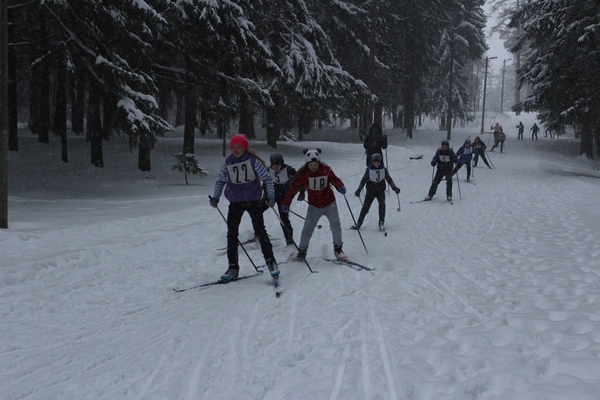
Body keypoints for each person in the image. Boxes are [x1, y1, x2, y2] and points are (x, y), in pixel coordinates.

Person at [210, 134, 279, 281]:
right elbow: (220, 180)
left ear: (245, 147)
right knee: (232, 234)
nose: (236, 150)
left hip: (253, 201)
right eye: (233, 147)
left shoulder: (253, 161)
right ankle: (233, 267)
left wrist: (270, 196)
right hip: (235, 202)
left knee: (260, 231)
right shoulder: (227, 162)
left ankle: (271, 262)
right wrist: (216, 197)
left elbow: (267, 179)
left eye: (239, 147)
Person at [281, 149, 348, 261]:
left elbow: (335, 180)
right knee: (307, 228)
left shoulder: (326, 170)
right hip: (314, 206)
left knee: (336, 225)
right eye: (311, 165)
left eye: (315, 164)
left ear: (319, 163)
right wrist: (286, 203)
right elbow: (292, 189)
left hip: (329, 203)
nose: (313, 167)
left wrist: (340, 186)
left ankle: (338, 249)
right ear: (307, 164)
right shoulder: (303, 174)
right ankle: (302, 252)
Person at [352, 153, 400, 231]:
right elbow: (363, 180)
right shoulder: (369, 170)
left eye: (378, 162)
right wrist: (359, 190)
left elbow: (389, 179)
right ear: (372, 162)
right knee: (365, 207)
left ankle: (381, 222)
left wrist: (394, 188)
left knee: (382, 206)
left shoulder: (383, 169)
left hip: (380, 191)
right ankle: (359, 223)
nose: (376, 163)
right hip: (371, 191)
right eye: (375, 162)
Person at [267, 152, 304, 245]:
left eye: (278, 165)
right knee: (257, 210)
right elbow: (265, 182)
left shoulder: (288, 170)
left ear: (282, 163)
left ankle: (289, 238)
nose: (275, 168)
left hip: (283, 196)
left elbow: (299, 180)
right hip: (272, 193)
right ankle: (258, 232)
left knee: (283, 217)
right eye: (273, 165)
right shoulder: (268, 170)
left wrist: (302, 192)